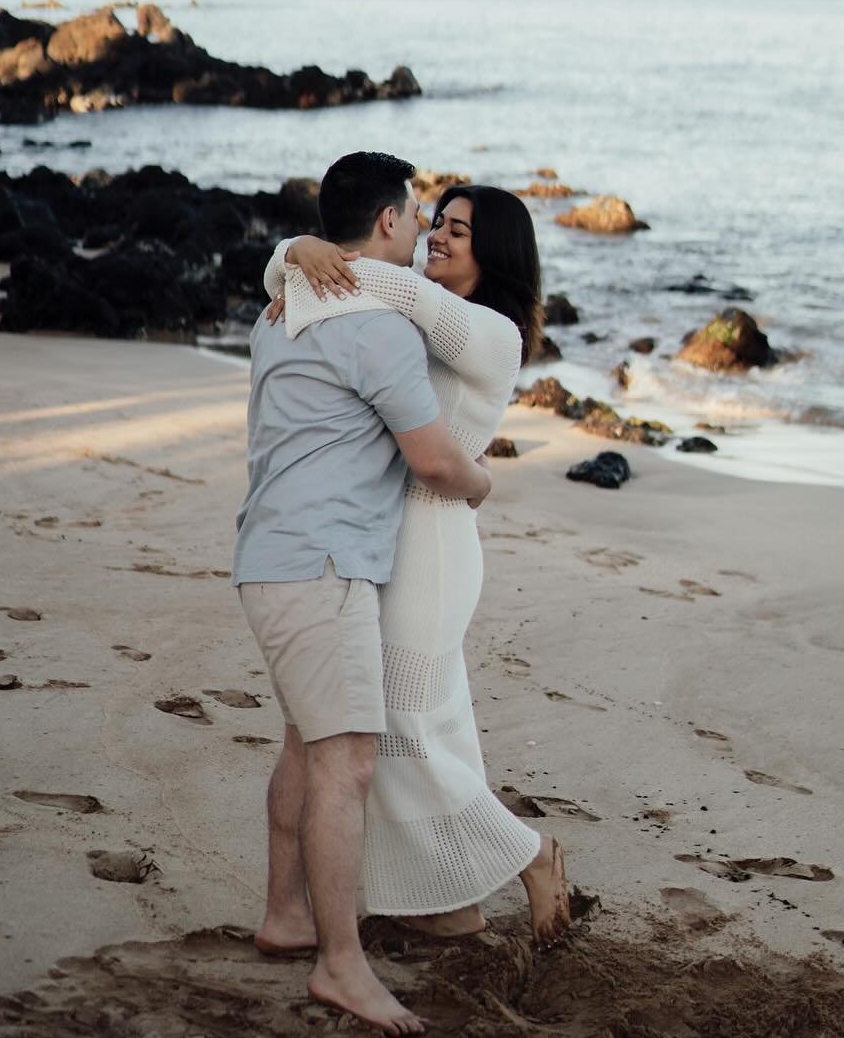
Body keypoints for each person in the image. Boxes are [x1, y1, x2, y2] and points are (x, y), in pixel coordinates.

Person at [264, 179, 572, 948]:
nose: (437, 235)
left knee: (397, 725)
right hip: (387, 538)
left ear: (493, 250)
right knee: (437, 725)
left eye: (458, 231)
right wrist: (288, 260)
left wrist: (294, 257)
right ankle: (450, 904)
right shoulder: (424, 316)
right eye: (436, 222)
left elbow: (386, 282)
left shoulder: (488, 331)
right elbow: (372, 286)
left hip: (431, 549)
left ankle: (534, 857)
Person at [232, 151, 493, 1036]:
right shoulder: (374, 326)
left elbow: (288, 265)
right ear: (385, 221)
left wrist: (292, 248)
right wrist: (482, 484)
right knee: (347, 762)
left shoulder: (285, 303)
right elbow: (431, 457)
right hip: (324, 564)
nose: (423, 230)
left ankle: (286, 916)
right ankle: (341, 966)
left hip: (271, 556)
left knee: (307, 746)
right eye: (417, 215)